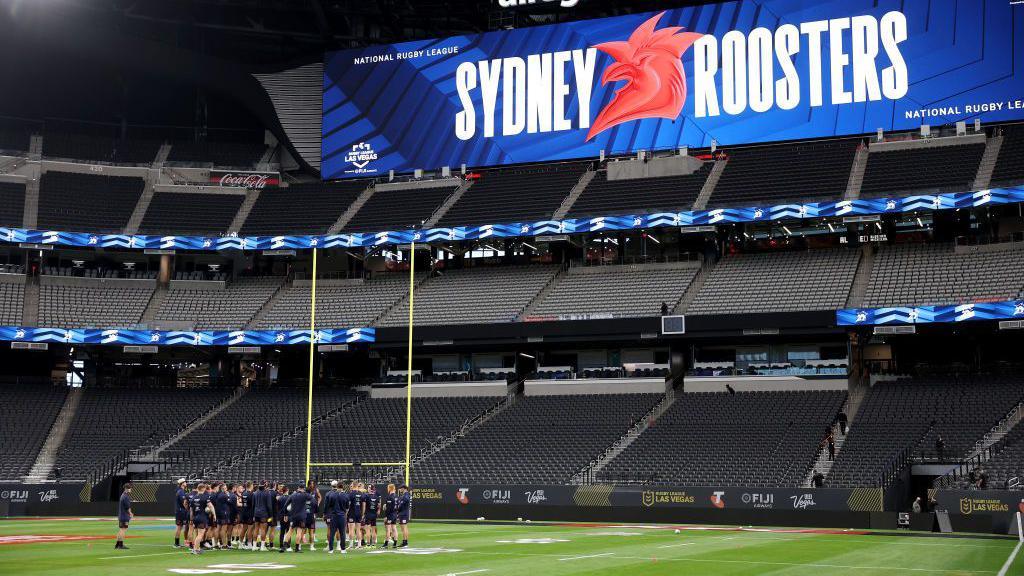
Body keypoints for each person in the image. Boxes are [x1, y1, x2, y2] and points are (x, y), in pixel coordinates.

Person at [190, 483, 217, 555]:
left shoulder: (193, 497)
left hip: (195, 517)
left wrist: (191, 519)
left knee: (198, 534)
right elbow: (211, 506)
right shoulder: (205, 497)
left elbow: (191, 510)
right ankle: (195, 549)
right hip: (202, 517)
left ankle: (197, 548)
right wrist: (214, 515)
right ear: (203, 489)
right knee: (200, 535)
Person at [254, 482, 272, 551]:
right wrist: (271, 515)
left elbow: (253, 504)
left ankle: (254, 546)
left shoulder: (255, 493)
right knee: (263, 529)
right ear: (265, 486)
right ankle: (262, 546)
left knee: (256, 529)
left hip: (256, 513)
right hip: (264, 513)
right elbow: (269, 505)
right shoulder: (267, 493)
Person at [115, 483, 133, 549]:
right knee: (123, 530)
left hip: (121, 516)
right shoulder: (125, 497)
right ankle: (121, 545)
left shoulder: (122, 495)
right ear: (126, 489)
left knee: (120, 530)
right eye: (130, 488)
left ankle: (117, 544)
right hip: (125, 516)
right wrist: (131, 514)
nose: (131, 489)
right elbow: (128, 507)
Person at [174, 479, 190, 548]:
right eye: (185, 482)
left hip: (180, 511)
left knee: (180, 527)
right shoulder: (181, 491)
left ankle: (177, 543)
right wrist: (188, 509)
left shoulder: (180, 491)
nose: (186, 483)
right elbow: (184, 503)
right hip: (181, 511)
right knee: (179, 527)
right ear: (182, 483)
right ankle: (176, 543)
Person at [347, 481, 363, 549]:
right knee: (358, 529)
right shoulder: (361, 494)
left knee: (351, 529)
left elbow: (348, 505)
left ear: (353, 485)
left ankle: (351, 545)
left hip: (352, 513)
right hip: (359, 512)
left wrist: (346, 513)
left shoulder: (350, 494)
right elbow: (363, 504)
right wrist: (362, 513)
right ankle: (359, 545)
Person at [276, 484, 291, 552]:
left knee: (282, 531)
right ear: (287, 490)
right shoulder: (290, 497)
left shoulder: (280, 498)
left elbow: (278, 508)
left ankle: (281, 546)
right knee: (288, 531)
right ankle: (287, 545)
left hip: (281, 516)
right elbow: (289, 508)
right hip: (288, 516)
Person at [382, 483, 398, 548]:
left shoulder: (390, 497)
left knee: (388, 529)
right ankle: (395, 543)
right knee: (394, 528)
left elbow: (388, 508)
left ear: (389, 488)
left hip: (390, 515)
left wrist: (386, 516)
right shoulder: (397, 496)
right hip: (395, 514)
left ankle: (386, 544)